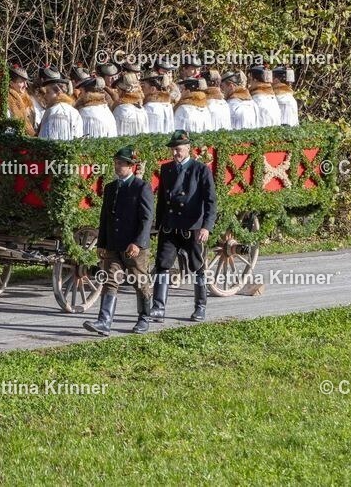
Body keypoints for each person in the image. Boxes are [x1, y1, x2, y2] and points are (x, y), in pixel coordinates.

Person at [84, 146, 155, 336]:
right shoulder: (110, 188)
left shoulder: (142, 187)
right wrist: (101, 243)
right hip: (114, 244)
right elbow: (105, 217)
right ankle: (104, 322)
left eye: (121, 164)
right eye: (115, 163)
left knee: (139, 281)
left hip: (134, 246)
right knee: (110, 280)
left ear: (131, 166)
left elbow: (147, 219)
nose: (117, 166)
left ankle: (144, 318)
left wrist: (138, 243)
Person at [150, 130, 217, 323]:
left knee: (198, 268)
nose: (174, 153)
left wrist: (206, 226)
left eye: (178, 149)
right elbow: (162, 199)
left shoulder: (200, 169)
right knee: (162, 266)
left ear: (188, 148)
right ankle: (158, 308)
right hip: (170, 226)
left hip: (193, 227)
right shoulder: (167, 169)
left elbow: (210, 200)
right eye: (172, 150)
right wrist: (159, 224)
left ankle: (200, 308)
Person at [37, 70, 83, 140]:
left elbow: (43, 139)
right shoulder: (74, 111)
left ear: (58, 93)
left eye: (48, 92)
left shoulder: (52, 111)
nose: (45, 96)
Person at [6, 64, 37, 135]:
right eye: (22, 82)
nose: (26, 85)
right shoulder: (6, 100)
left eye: (26, 82)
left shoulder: (28, 99)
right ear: (11, 83)